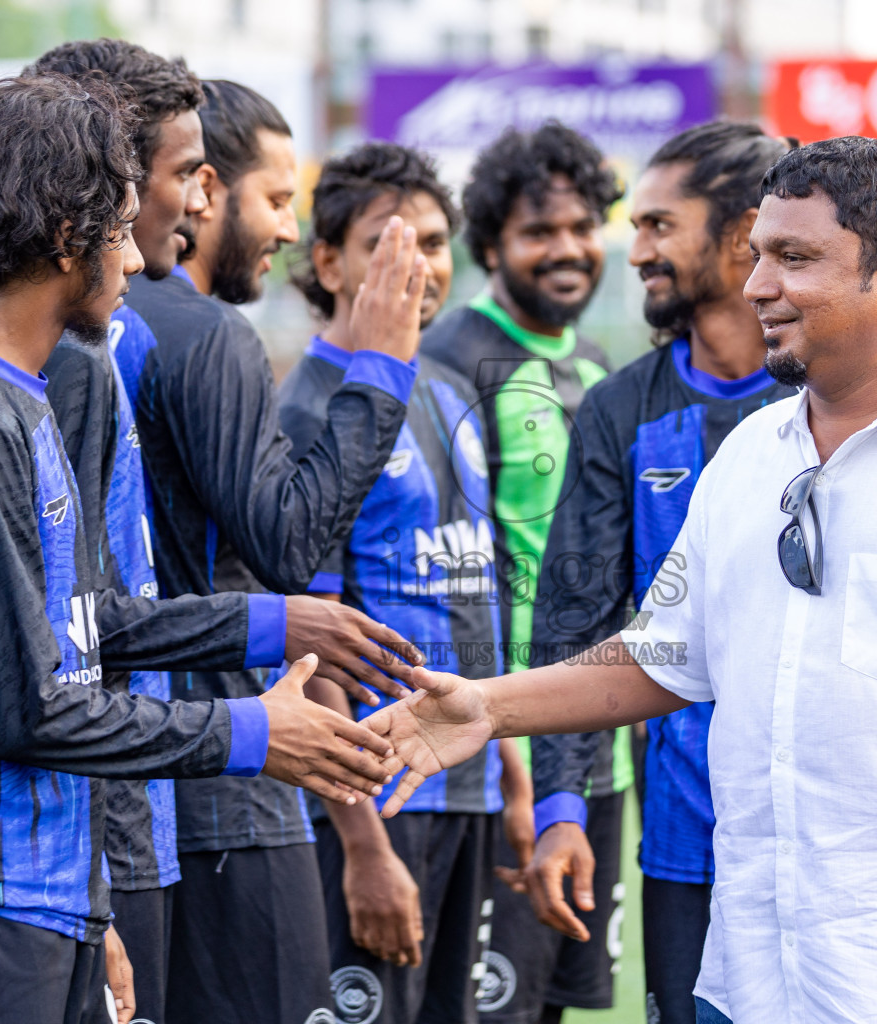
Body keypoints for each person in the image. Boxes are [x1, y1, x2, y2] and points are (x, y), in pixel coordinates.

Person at [364, 135, 877, 1024]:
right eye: (758, 256)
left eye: (794, 258)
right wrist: (488, 707)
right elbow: (661, 656)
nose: (757, 286)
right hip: (753, 978)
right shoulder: (751, 456)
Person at [0, 75, 397, 1024]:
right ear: (67, 240)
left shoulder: (24, 397)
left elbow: (89, 623)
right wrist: (250, 736)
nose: (141, 252)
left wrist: (273, 622)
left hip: (59, 891)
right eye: (117, 228)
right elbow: (31, 709)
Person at [26, 42, 422, 1024]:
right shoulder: (190, 334)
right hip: (211, 782)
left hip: (145, 776)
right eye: (272, 197)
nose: (283, 228)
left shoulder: (68, 336)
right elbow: (288, 543)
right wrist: (379, 372)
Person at [523, 120, 793, 1024]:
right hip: (684, 838)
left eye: (658, 225)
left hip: (832, 839)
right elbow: (576, 618)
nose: (633, 250)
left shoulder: (832, 397)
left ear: (745, 230)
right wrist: (563, 805)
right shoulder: (619, 411)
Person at [279, 139, 532, 1024]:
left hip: (464, 780)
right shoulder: (309, 407)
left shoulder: (451, 389)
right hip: (379, 794)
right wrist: (362, 844)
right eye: (388, 243)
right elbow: (305, 649)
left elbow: (479, 591)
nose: (417, 264)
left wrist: (512, 765)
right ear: (327, 262)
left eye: (431, 241)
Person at [418, 121, 623, 1024]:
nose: (569, 249)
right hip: (507, 748)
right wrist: (512, 762)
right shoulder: (455, 362)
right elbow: (459, 581)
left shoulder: (594, 368)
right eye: (541, 232)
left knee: (553, 1002)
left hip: (596, 749)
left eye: (584, 226)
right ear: (493, 243)